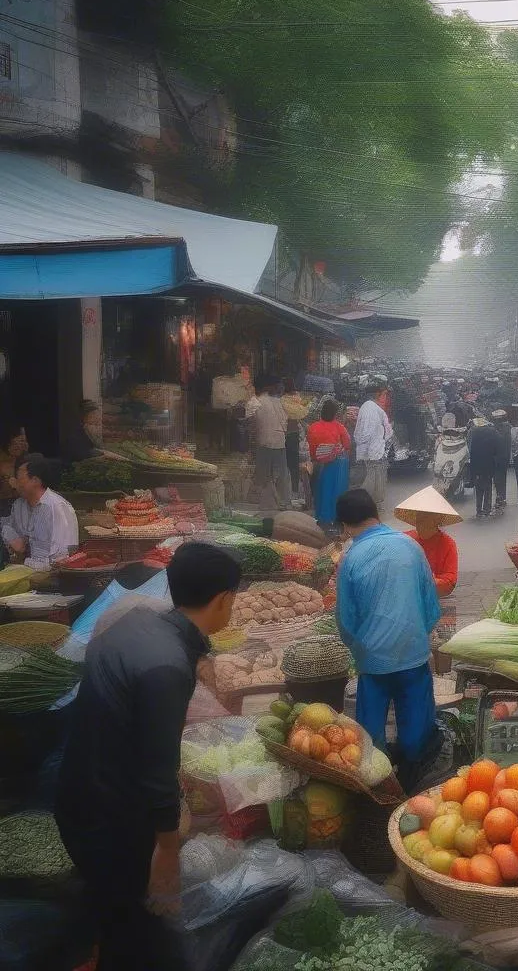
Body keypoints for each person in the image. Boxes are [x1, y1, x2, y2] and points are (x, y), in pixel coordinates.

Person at [56, 543, 241, 971]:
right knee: (136, 934)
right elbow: (157, 771)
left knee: (112, 911)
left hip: (78, 795)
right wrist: (167, 853)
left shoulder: (136, 621)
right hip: (111, 819)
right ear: (224, 600)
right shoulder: (166, 666)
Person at [335, 489, 440, 788]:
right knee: (416, 722)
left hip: (373, 662)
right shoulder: (411, 546)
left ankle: (377, 781)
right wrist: (416, 636)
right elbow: (431, 606)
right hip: (413, 655)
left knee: (369, 733)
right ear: (376, 514)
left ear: (344, 526)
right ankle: (412, 775)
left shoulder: (351, 558)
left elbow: (346, 620)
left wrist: (360, 649)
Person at [1, 454, 78, 570]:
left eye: (19, 477)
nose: (14, 482)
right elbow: (15, 541)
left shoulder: (58, 508)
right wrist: (15, 541)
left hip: (51, 576)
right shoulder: (19, 506)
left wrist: (25, 563)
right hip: (25, 569)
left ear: (35, 481)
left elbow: (63, 560)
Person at [395, 486, 460, 598]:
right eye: (418, 518)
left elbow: (450, 581)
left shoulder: (448, 544)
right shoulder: (405, 539)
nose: (420, 523)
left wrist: (429, 581)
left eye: (425, 518)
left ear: (436, 520)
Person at [246, 374, 291, 510]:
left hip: (264, 441)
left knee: (264, 474)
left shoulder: (254, 402)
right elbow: (286, 422)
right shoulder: (280, 402)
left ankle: (265, 502)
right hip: (279, 442)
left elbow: (249, 423)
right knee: (281, 473)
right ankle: (283, 502)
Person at [307, 398, 351, 525]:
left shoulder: (313, 427)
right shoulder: (340, 427)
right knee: (337, 491)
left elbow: (311, 448)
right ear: (335, 413)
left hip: (319, 465)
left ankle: (322, 518)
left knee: (320, 491)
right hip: (336, 466)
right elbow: (347, 444)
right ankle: (337, 517)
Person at [353, 385, 393, 509]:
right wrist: (370, 449)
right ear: (378, 395)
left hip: (375, 450)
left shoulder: (371, 408)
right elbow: (366, 432)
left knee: (377, 478)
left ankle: (373, 503)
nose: (386, 398)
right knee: (373, 478)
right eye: (384, 395)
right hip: (373, 451)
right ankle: (363, 504)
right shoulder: (370, 409)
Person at [281, 377, 310, 497]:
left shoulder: (281, 400)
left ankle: (286, 489)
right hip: (293, 434)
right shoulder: (297, 399)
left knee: (285, 463)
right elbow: (303, 412)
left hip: (283, 433)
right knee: (293, 463)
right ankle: (294, 489)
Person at [468, 414, 502, 518]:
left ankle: (479, 510)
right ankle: (487, 509)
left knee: (479, 487)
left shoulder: (472, 432)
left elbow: (469, 447)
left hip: (476, 463)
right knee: (488, 486)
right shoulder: (492, 431)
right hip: (489, 462)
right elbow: (498, 446)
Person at [0, 422, 28, 516]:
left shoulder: (23, 462)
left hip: (21, 509)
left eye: (24, 441)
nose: (23, 445)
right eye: (20, 441)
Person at [492, 410, 511, 512]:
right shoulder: (507, 427)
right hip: (502, 457)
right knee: (500, 478)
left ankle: (500, 497)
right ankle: (501, 497)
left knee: (498, 478)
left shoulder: (500, 428)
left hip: (499, 457)